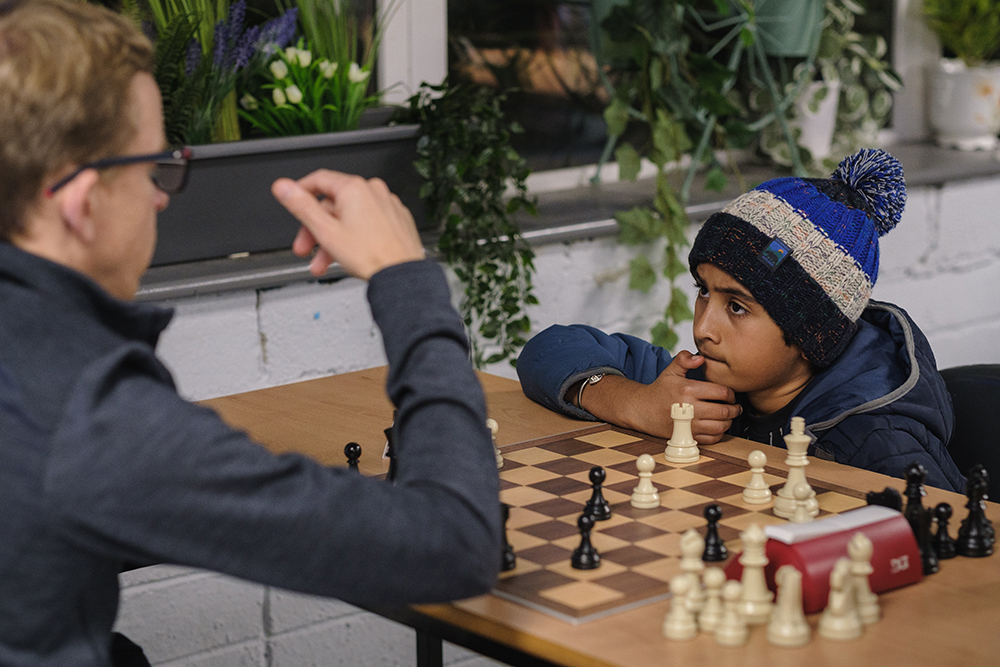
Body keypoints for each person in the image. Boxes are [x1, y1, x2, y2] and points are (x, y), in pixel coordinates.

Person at [0, 2, 500, 666]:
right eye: (153, 167)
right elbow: (457, 544)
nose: (160, 196)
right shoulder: (87, 413)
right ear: (81, 200)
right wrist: (406, 278)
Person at [517, 148, 965, 493]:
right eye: (703, 292)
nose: (702, 328)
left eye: (737, 306)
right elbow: (548, 350)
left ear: (812, 334)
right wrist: (635, 403)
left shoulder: (879, 446)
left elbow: (960, 577)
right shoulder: (705, 385)